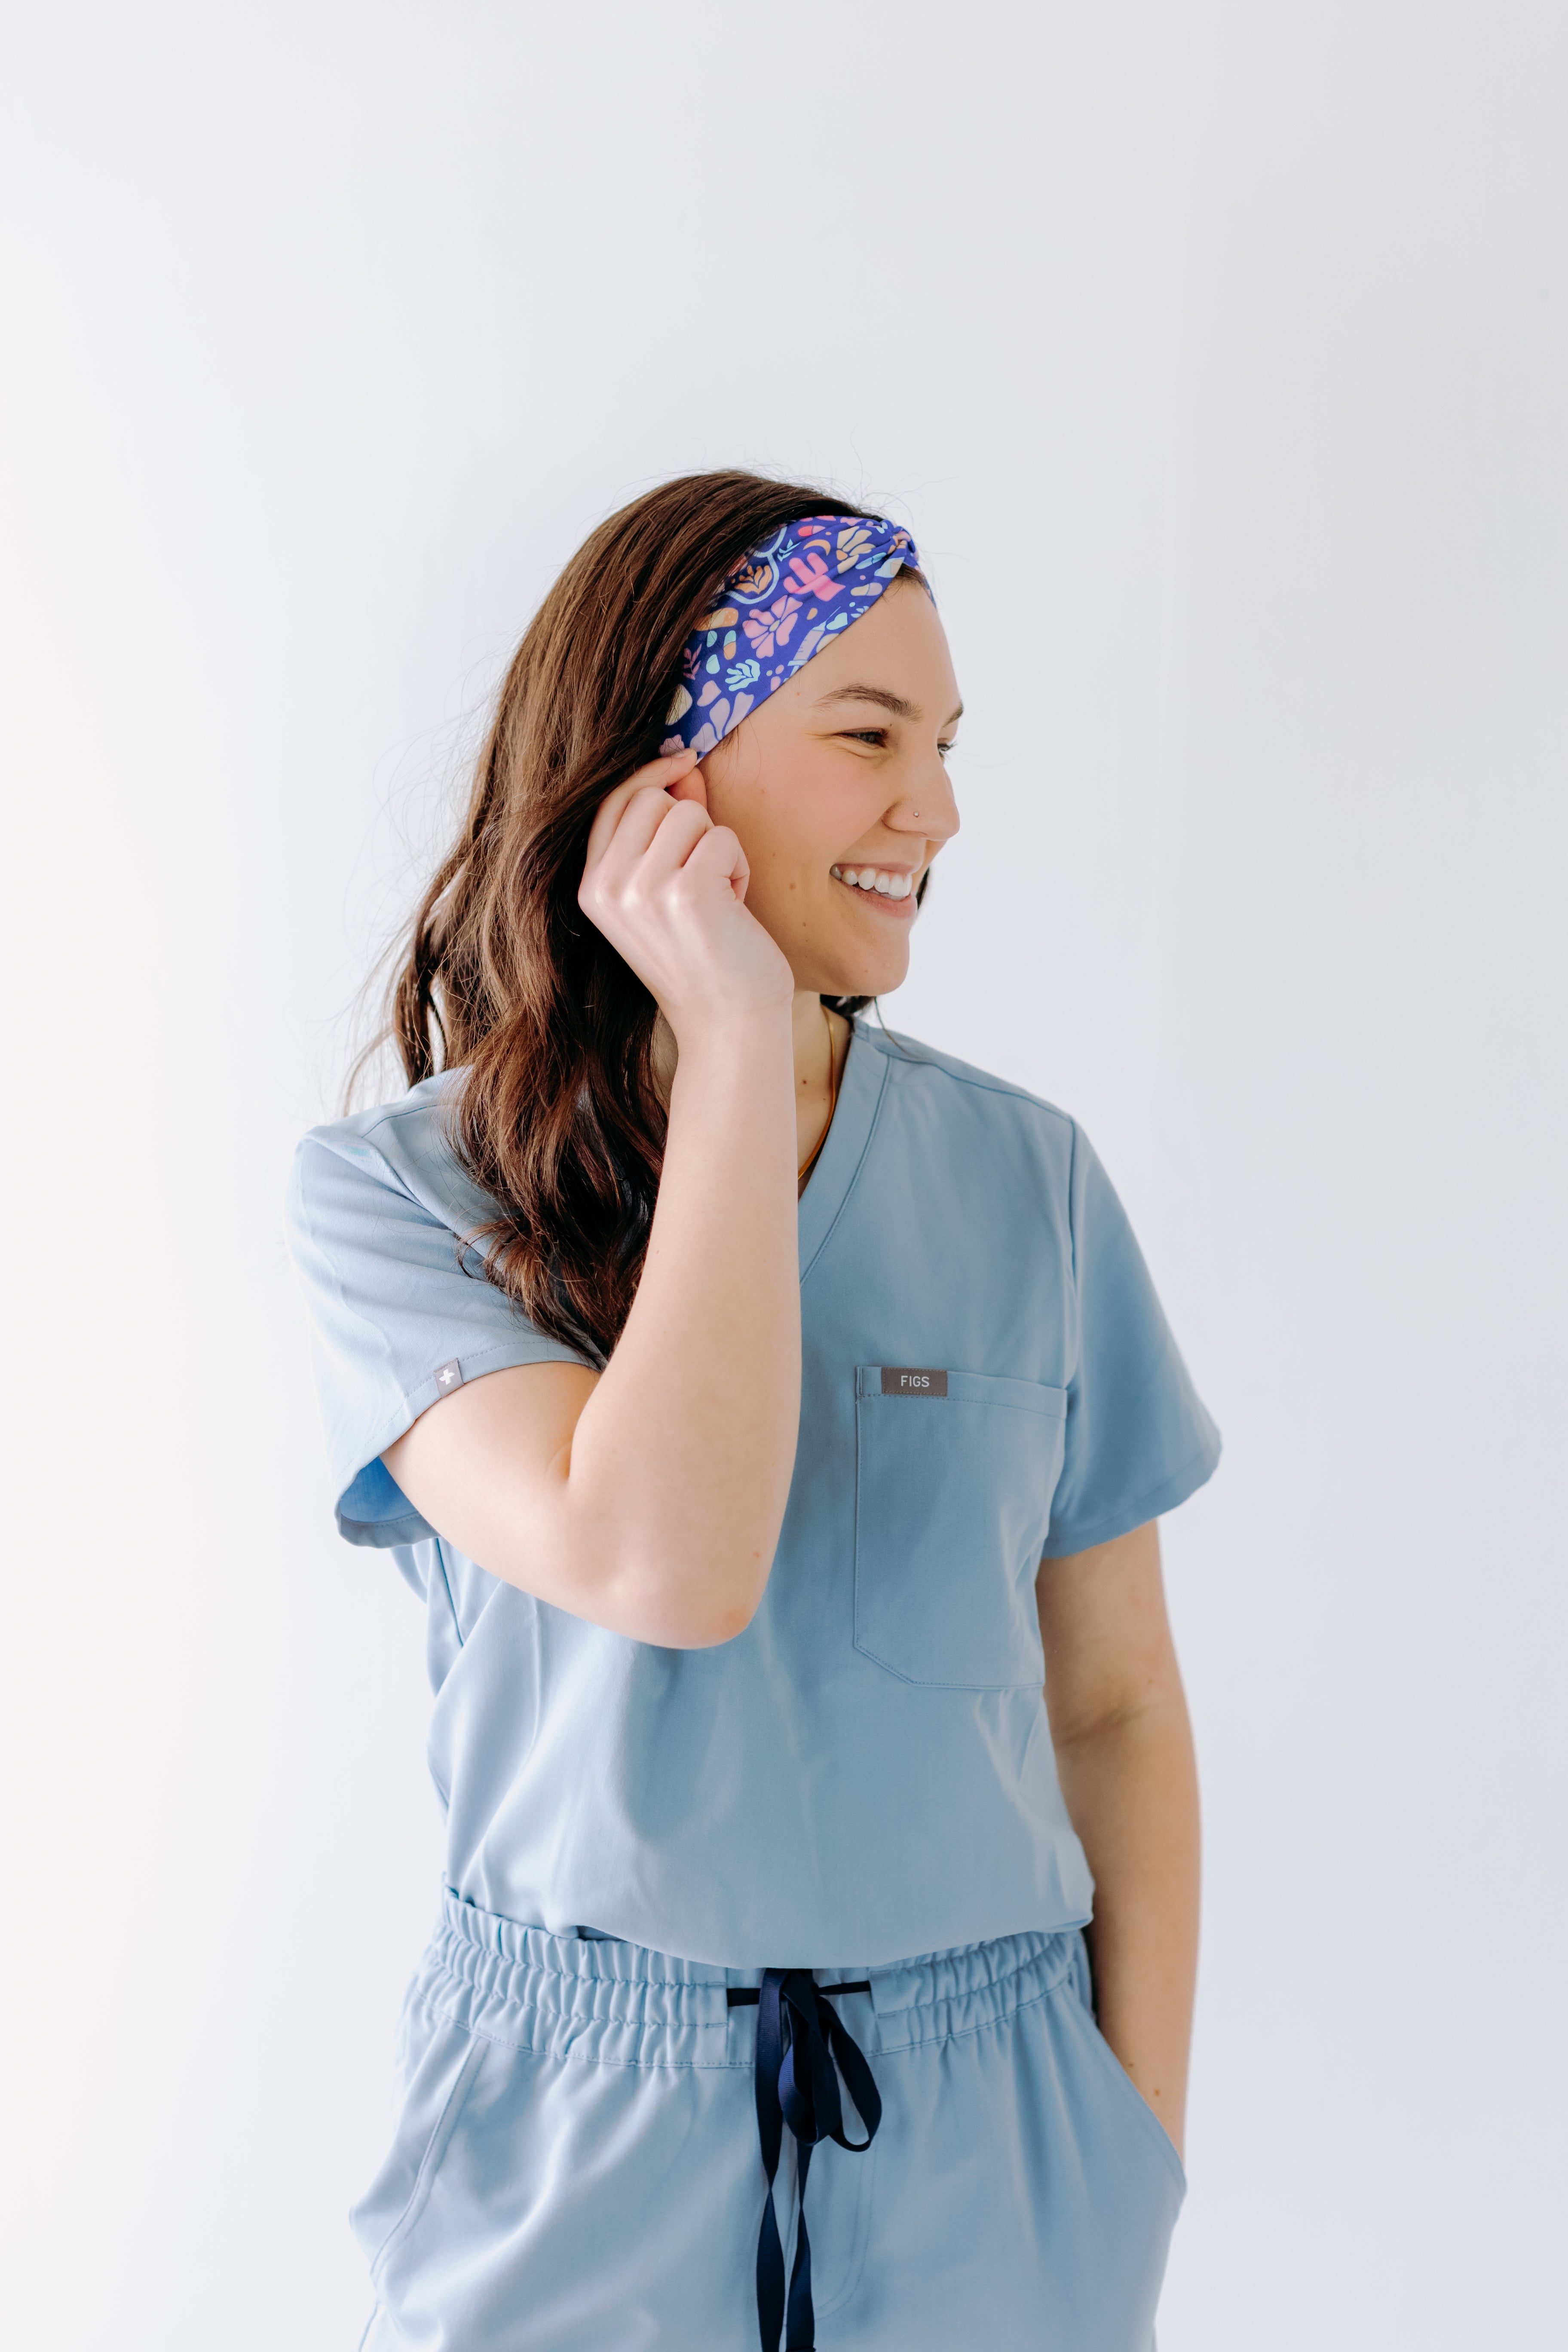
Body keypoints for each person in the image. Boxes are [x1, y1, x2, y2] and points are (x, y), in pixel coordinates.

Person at [287, 472, 1220, 2351]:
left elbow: (1113, 1698)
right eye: (867, 734)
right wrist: (724, 1038)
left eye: (946, 744)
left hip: (998, 2127)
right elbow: (664, 1562)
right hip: (582, 2132)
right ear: (663, 774)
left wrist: (1132, 2151)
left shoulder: (1026, 1180)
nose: (935, 811)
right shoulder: (404, 1202)